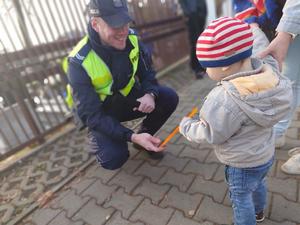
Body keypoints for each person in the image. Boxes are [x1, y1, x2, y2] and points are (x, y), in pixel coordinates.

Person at [179, 17, 292, 225]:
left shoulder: (224, 99)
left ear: (223, 67)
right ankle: (259, 213)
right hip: (265, 155)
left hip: (241, 163)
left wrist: (186, 126)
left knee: (241, 198)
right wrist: (254, 27)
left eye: (207, 67)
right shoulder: (269, 72)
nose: (205, 72)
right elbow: (257, 42)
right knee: (258, 184)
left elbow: (210, 132)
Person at [63, 0, 179, 170]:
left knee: (168, 97)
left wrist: (150, 94)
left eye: (125, 23)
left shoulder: (133, 40)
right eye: (116, 26)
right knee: (113, 158)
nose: (124, 31)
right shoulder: (78, 62)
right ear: (95, 24)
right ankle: (99, 138)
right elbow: (92, 114)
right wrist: (129, 135)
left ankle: (143, 139)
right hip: (101, 112)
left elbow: (148, 74)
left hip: (125, 99)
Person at [259, 0, 300, 174]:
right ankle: (278, 132)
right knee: (290, 79)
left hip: (288, 20)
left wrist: (284, 31)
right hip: (290, 22)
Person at [179, 0, 207, 79]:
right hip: (192, 16)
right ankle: (196, 68)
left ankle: (202, 66)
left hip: (200, 15)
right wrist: (188, 13)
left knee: (201, 41)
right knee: (194, 42)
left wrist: (203, 13)